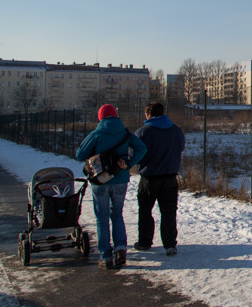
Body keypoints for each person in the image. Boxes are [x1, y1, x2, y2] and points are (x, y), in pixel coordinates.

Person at [76, 104, 147, 270]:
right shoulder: (125, 133)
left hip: (100, 181)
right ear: (115, 116)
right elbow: (142, 148)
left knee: (102, 218)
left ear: (100, 117)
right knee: (117, 214)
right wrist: (129, 163)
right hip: (120, 179)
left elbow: (80, 154)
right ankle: (120, 249)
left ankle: (105, 256)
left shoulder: (96, 134)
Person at [134, 101, 185, 256]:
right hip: (170, 177)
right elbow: (181, 147)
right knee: (169, 213)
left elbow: (135, 153)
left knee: (145, 211)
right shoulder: (175, 130)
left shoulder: (143, 132)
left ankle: (145, 241)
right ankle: (170, 244)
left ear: (148, 114)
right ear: (163, 113)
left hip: (149, 177)